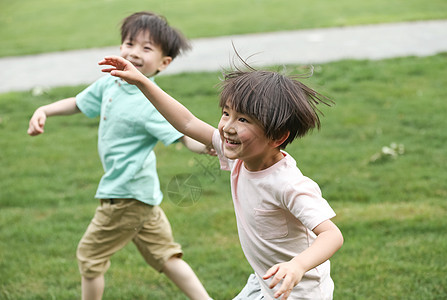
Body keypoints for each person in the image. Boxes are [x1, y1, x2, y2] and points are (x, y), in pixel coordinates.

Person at [98, 53, 344, 299]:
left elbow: (332, 235)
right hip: (265, 279)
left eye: (243, 119)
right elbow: (186, 122)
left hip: (300, 291)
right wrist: (142, 81)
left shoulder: (289, 184)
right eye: (227, 113)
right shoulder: (240, 155)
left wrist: (297, 266)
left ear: (277, 137)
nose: (228, 127)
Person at [27, 11, 212, 300]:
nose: (135, 53)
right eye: (129, 43)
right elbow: (78, 102)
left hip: (125, 196)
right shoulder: (109, 84)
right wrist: (44, 110)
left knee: (89, 257)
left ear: (164, 63)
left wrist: (206, 145)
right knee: (166, 257)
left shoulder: (150, 102)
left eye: (147, 48)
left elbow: (183, 133)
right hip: (141, 196)